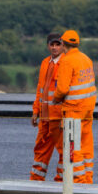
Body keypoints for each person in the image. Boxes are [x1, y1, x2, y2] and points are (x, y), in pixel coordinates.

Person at [52, 30, 97, 183]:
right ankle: (88, 179)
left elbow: (63, 89)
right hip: (88, 109)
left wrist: (55, 99)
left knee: (73, 146)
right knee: (86, 145)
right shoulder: (86, 59)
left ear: (63, 44)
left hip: (74, 109)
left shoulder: (67, 61)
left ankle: (79, 180)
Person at [30, 33, 65, 181]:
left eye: (58, 44)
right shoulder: (45, 62)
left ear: (63, 45)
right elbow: (41, 88)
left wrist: (66, 115)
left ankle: (61, 181)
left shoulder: (66, 63)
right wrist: (35, 111)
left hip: (58, 116)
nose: (55, 48)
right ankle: (36, 180)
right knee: (40, 149)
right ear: (48, 46)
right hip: (45, 116)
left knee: (63, 150)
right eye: (52, 45)